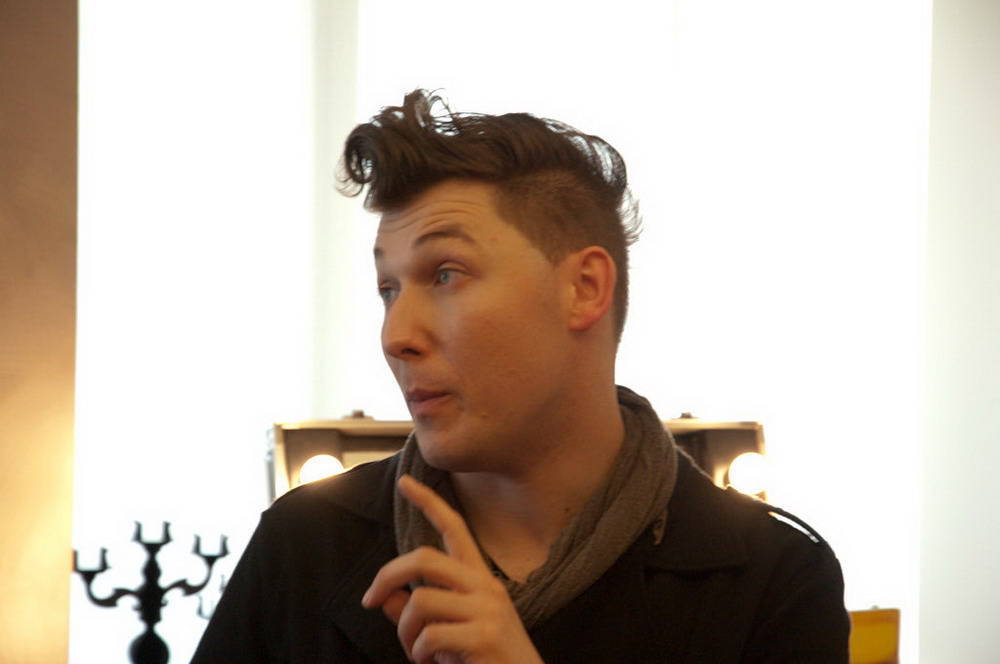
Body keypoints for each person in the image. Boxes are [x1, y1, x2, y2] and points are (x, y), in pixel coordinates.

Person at [192, 90, 850, 663]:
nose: (396, 336)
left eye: (445, 274)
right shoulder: (306, 545)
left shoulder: (771, 579)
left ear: (583, 288)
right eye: (388, 288)